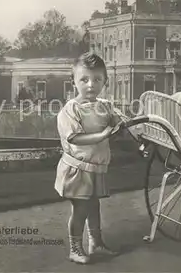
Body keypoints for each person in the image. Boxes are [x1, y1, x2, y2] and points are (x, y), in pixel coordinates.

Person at [54, 52, 123, 264]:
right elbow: (74, 138)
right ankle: (75, 248)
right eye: (84, 79)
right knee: (81, 208)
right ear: (73, 81)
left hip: (95, 167)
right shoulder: (70, 109)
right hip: (78, 169)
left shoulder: (104, 106)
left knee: (94, 206)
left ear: (105, 81)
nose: (91, 85)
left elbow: (116, 123)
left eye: (97, 79)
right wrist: (103, 135)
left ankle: (96, 242)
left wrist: (119, 123)